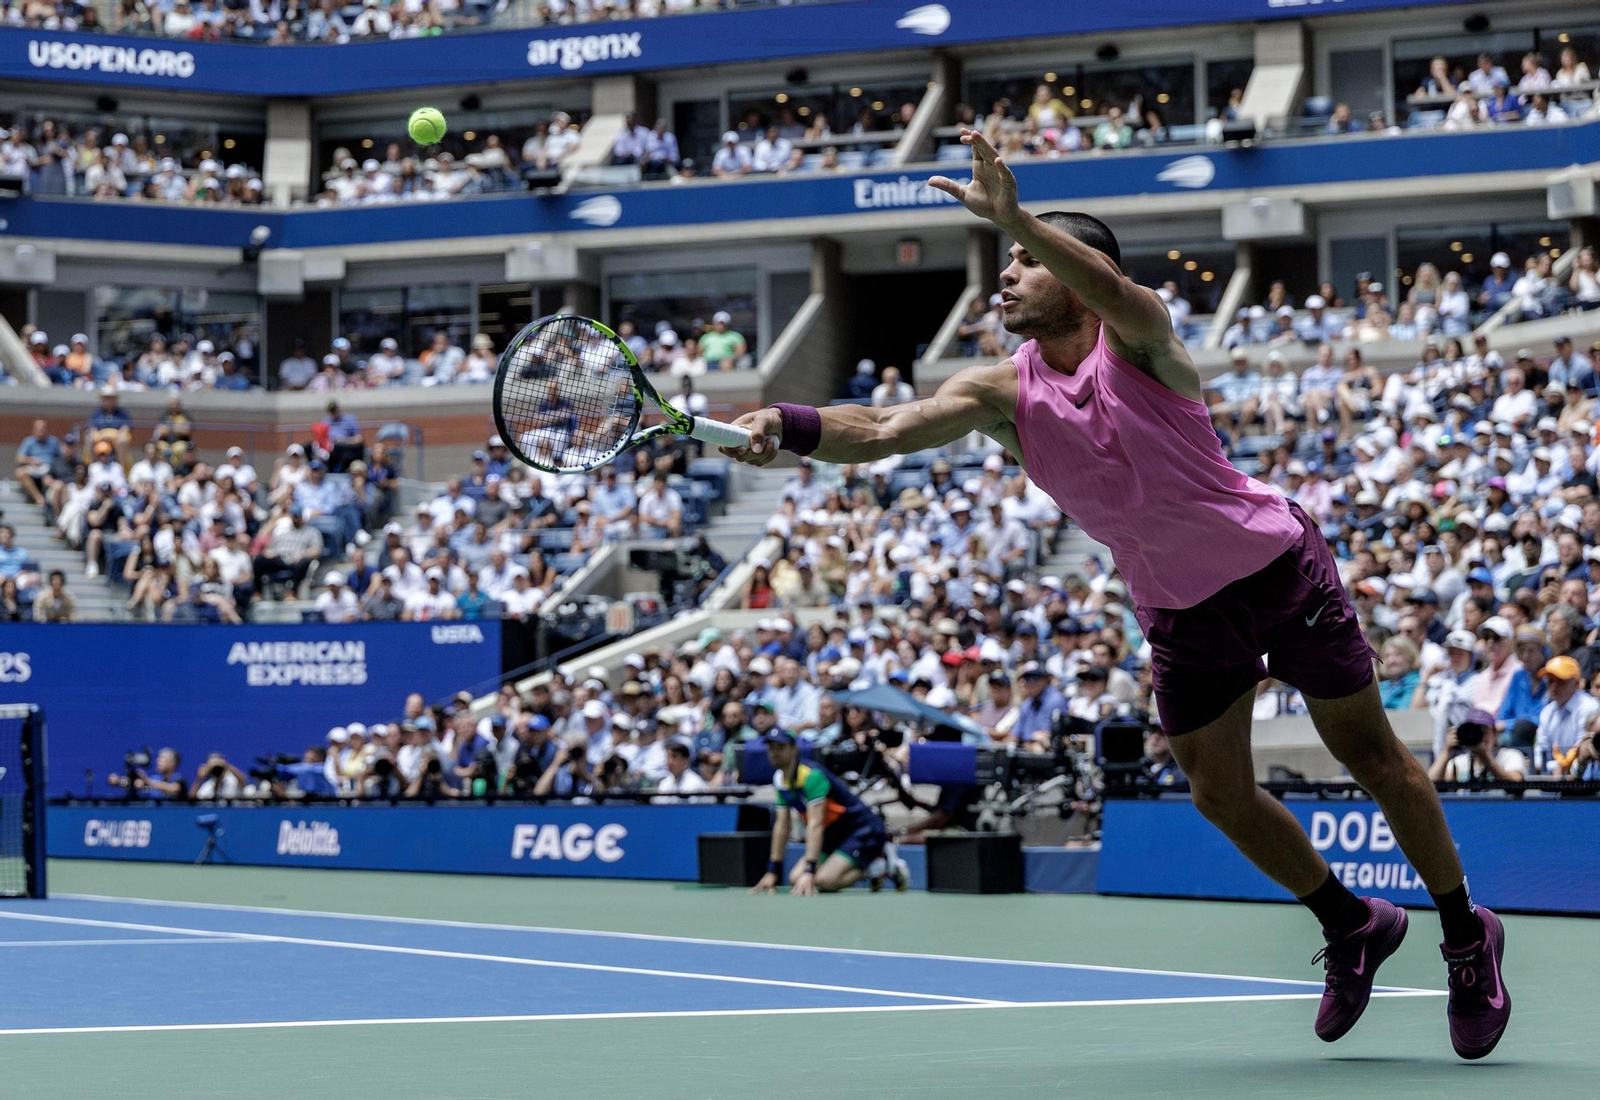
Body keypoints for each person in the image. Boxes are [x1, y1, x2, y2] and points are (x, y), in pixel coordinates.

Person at [720, 129, 1510, 1058]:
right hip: (1177, 609)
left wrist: (1018, 217)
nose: (1007, 275)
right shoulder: (1000, 393)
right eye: (1009, 260)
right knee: (1219, 794)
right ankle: (1352, 923)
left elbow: (1112, 291)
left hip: (1275, 570)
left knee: (1369, 754)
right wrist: (789, 423)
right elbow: (888, 424)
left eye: (1024, 262)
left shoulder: (1141, 341)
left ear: (1077, 270)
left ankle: (1466, 935)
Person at [750, 731, 907, 895]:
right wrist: (772, 871)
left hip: (860, 830)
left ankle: (879, 865)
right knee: (795, 878)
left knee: (826, 881)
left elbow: (815, 824)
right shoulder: (780, 780)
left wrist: (810, 870)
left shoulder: (812, 776)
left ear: (794, 749)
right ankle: (871, 866)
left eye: (780, 747)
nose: (774, 752)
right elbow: (782, 826)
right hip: (832, 834)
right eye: (771, 748)